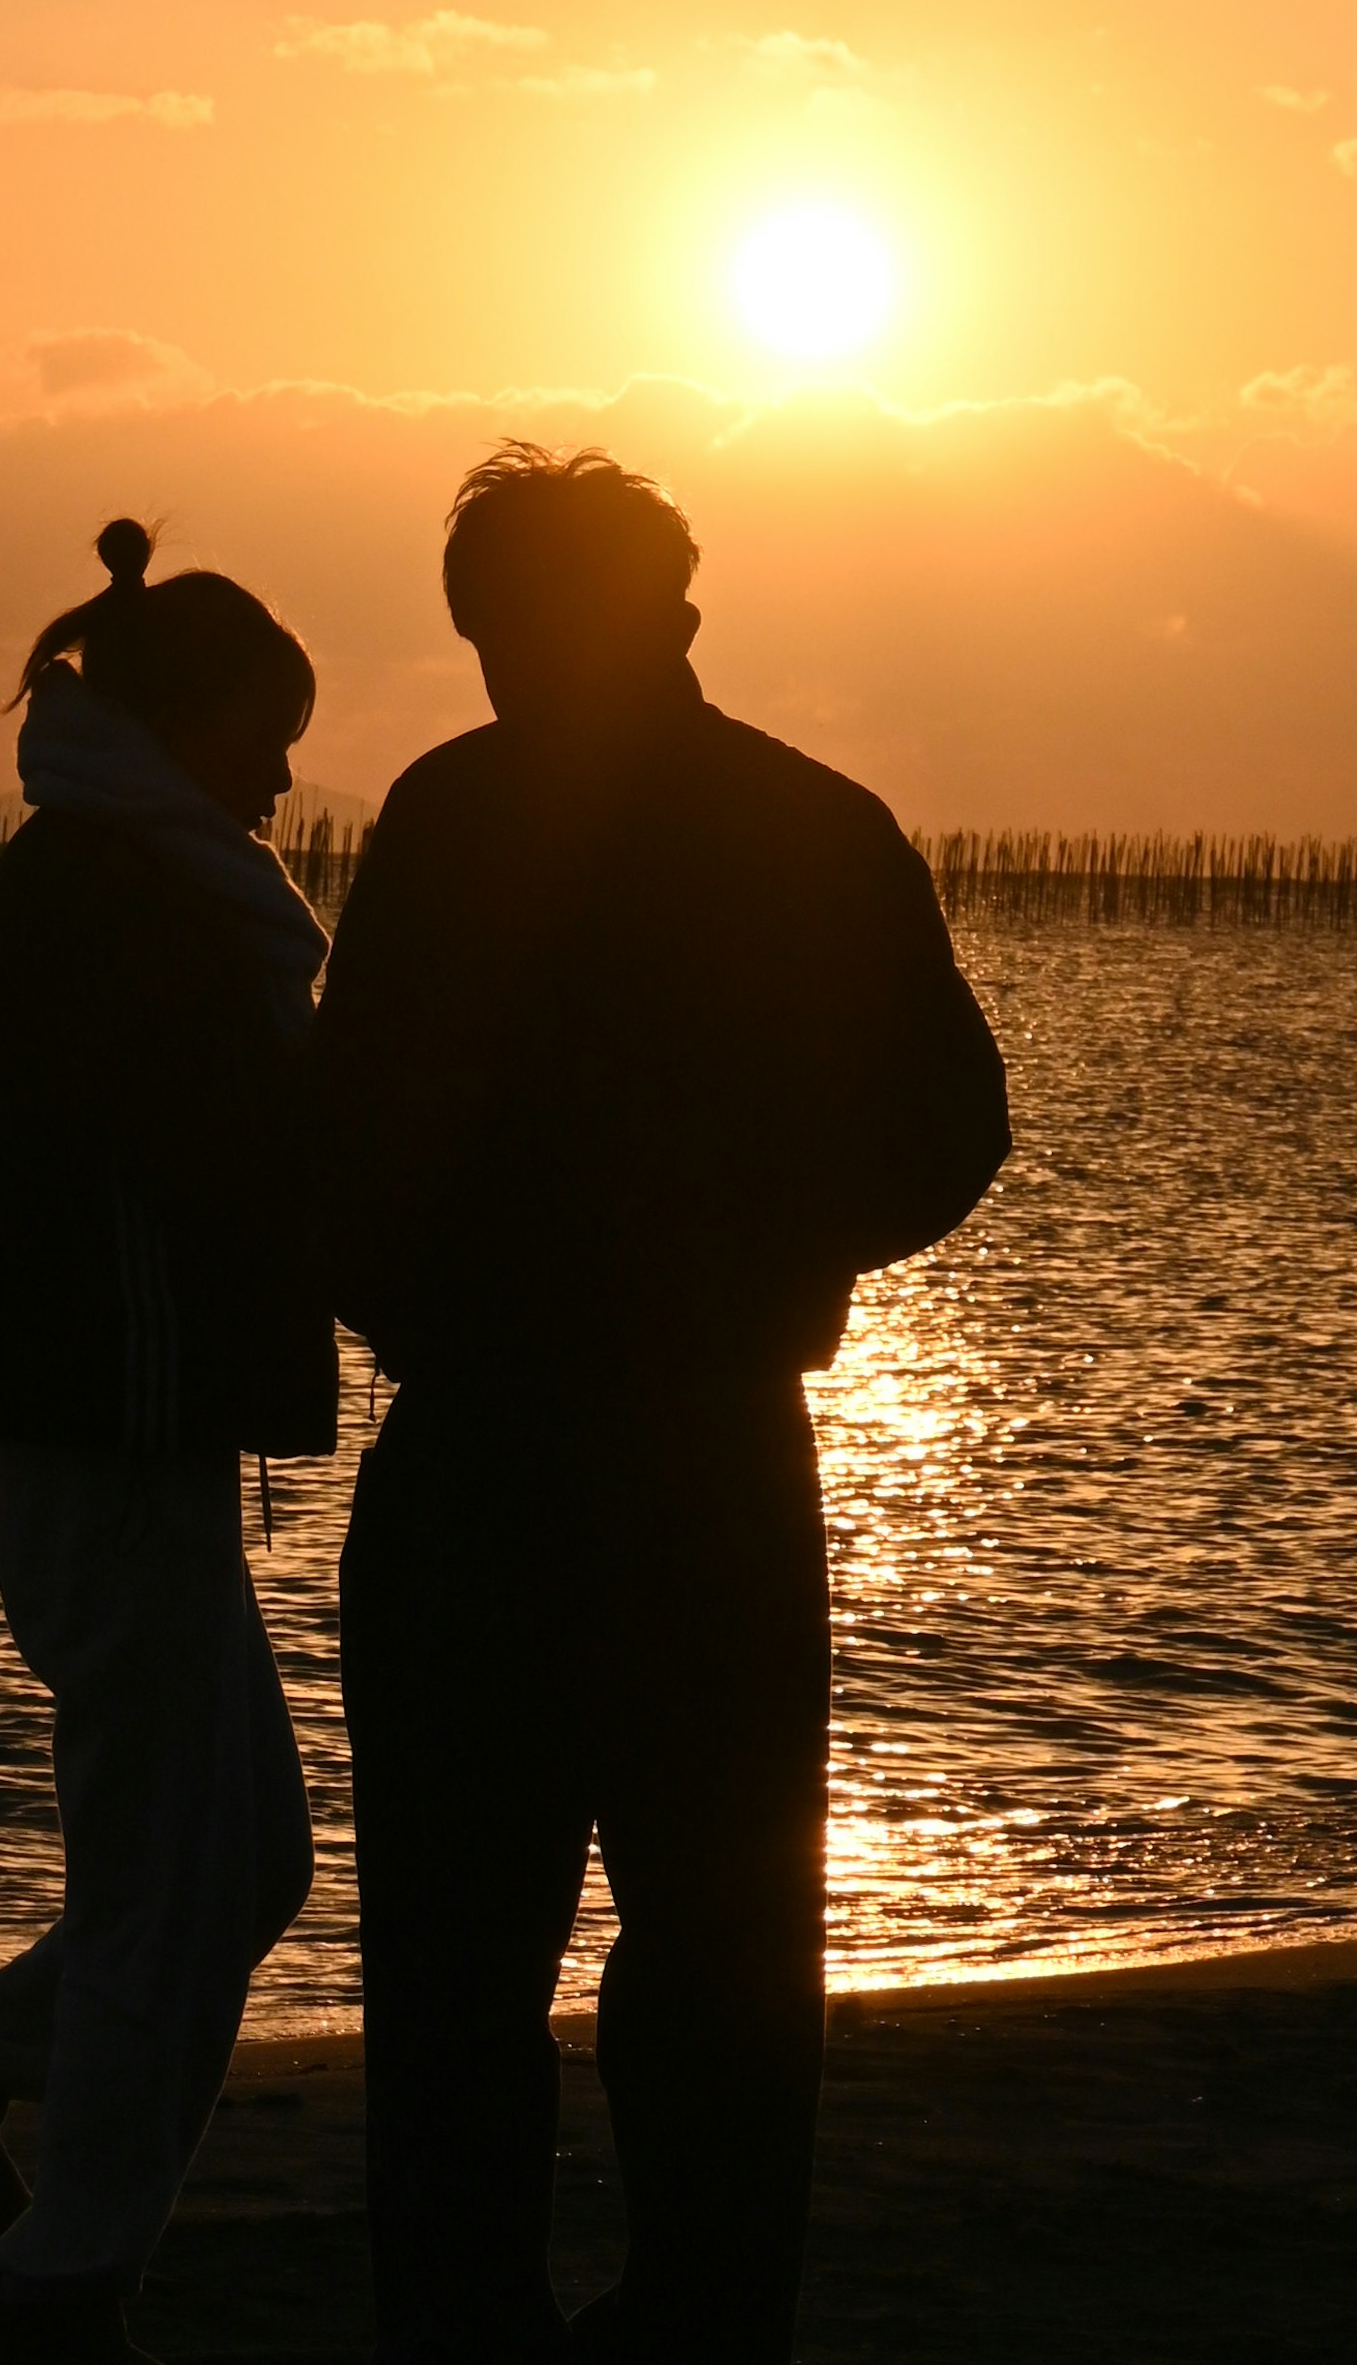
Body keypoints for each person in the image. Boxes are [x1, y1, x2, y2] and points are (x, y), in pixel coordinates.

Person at [318, 443, 1008, 2365]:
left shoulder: (450, 822)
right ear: (679, 610)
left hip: (486, 1456)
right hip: (711, 1458)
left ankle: (468, 2326)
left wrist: (418, 1287)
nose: (483, 661)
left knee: (457, 1967)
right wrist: (773, 1247)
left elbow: (344, 1138)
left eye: (492, 626)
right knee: (720, 1952)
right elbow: (953, 1138)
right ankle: (707, 2323)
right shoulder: (815, 825)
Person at [0, 519, 337, 2362]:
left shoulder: (132, 872)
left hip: (134, 1432)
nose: (287, 773)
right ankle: (67, 2278)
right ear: (189, 724)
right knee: (172, 1884)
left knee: (229, 1865)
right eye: (269, 733)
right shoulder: (119, 891)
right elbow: (202, 1170)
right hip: (112, 1435)